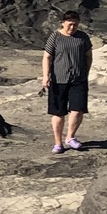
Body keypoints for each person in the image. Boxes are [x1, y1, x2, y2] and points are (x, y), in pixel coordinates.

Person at [41, 9, 92, 153]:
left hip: (78, 79)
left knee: (77, 109)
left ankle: (70, 137)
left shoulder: (83, 37)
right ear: (63, 23)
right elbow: (47, 57)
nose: (72, 27)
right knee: (58, 112)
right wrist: (46, 76)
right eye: (69, 24)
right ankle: (58, 143)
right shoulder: (55, 37)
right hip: (59, 79)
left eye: (75, 25)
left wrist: (85, 73)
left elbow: (88, 56)